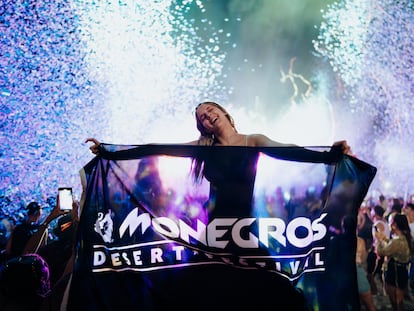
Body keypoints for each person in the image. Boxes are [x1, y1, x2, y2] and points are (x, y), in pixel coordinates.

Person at [84, 101, 353, 310]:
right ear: (204, 126)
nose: (207, 115)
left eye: (210, 110)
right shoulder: (204, 148)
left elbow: (290, 151)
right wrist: (111, 151)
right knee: (200, 289)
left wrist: (329, 154)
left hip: (243, 230)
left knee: (274, 285)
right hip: (214, 233)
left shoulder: (252, 141)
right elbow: (158, 148)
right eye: (202, 116)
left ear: (224, 113)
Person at [375, 213, 412, 311]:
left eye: (391, 222)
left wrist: (378, 240)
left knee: (395, 299)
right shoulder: (407, 237)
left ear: (395, 225)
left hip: (394, 271)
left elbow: (382, 252)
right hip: (402, 270)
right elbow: (393, 247)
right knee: (399, 298)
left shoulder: (397, 241)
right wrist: (385, 239)